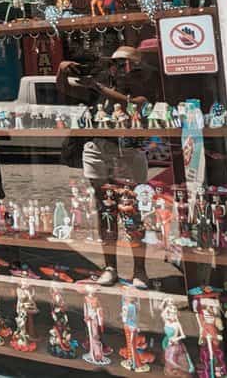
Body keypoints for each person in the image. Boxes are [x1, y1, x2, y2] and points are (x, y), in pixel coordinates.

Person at [56, 45, 154, 288]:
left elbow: (135, 105)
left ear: (136, 68)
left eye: (124, 64)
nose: (118, 69)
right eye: (115, 64)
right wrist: (61, 71)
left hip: (128, 151)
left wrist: (97, 87)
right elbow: (65, 88)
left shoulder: (140, 87)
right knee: (105, 208)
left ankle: (140, 270)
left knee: (131, 210)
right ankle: (110, 266)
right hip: (100, 147)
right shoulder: (99, 89)